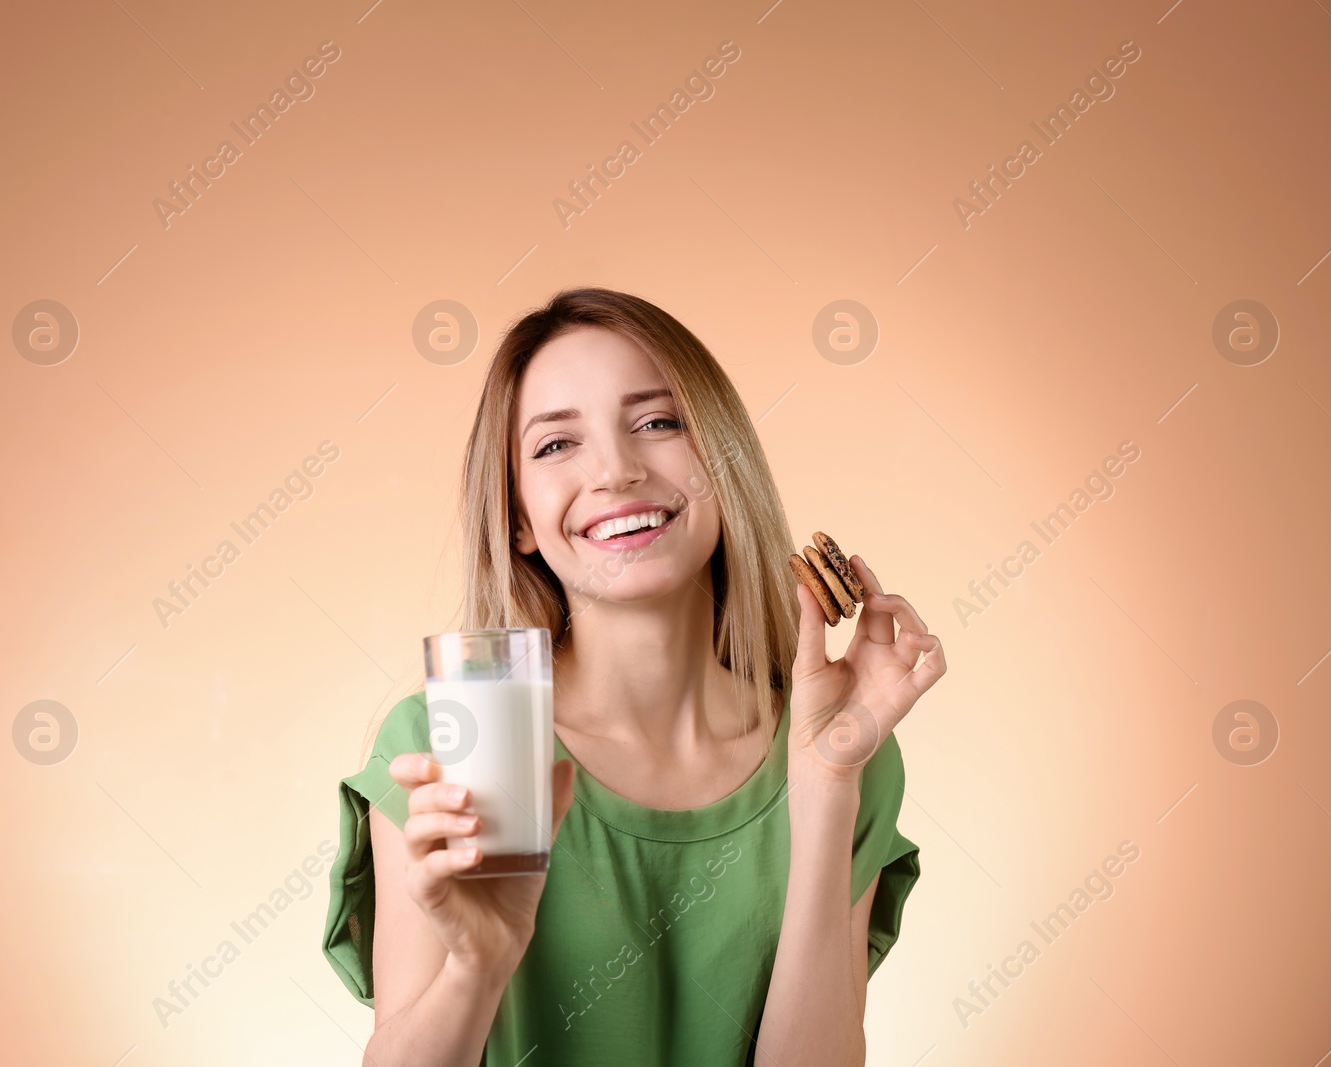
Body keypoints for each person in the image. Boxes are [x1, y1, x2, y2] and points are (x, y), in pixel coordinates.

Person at [322, 287, 946, 1065]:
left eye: (657, 422)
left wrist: (823, 785)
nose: (616, 471)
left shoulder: (845, 750)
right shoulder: (459, 742)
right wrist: (477, 969)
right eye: (555, 445)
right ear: (517, 515)